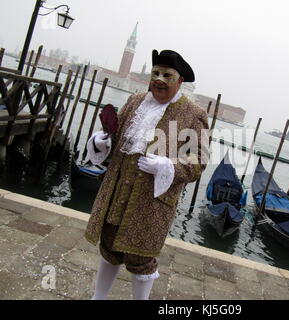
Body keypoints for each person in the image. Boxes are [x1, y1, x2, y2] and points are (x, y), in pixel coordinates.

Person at [85, 49, 209, 300]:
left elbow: (199, 160)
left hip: (151, 202)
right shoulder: (134, 101)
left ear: (180, 81)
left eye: (167, 75)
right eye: (156, 73)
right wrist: (101, 141)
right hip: (116, 192)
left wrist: (168, 166)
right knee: (108, 248)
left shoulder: (194, 114)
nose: (159, 79)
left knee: (141, 258)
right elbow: (115, 137)